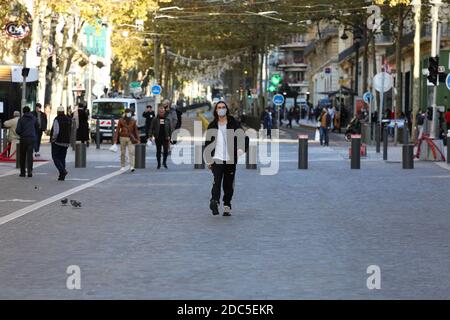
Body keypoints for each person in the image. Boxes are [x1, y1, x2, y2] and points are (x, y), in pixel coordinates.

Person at [205, 101, 245, 217]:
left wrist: (241, 149)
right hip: (216, 158)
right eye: (219, 107)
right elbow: (207, 143)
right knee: (216, 181)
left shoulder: (233, 123)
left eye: (223, 107)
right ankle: (215, 201)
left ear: (226, 109)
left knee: (228, 184)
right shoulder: (212, 125)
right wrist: (208, 159)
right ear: (216, 110)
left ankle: (227, 204)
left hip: (230, 159)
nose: (221, 109)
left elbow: (243, 137)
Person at [50, 106, 72, 181]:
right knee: (62, 158)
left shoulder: (57, 120)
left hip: (58, 141)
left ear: (58, 112)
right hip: (66, 141)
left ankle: (62, 170)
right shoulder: (68, 119)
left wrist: (53, 139)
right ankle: (62, 175)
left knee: (55, 157)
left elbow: (56, 131)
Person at [15, 106, 37, 177]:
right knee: (30, 155)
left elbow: (17, 130)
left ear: (23, 112)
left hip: (24, 138)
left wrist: (21, 134)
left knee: (22, 155)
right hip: (32, 138)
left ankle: (23, 172)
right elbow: (37, 126)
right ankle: (30, 172)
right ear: (29, 111)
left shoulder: (21, 119)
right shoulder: (33, 118)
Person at [150, 104, 172, 169]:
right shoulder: (155, 119)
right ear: (158, 112)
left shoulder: (167, 119)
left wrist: (170, 136)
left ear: (164, 112)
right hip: (158, 137)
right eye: (160, 111)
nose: (161, 113)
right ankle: (158, 163)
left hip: (166, 137)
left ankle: (164, 162)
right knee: (158, 151)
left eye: (162, 111)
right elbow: (151, 128)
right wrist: (150, 136)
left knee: (166, 151)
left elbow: (170, 129)